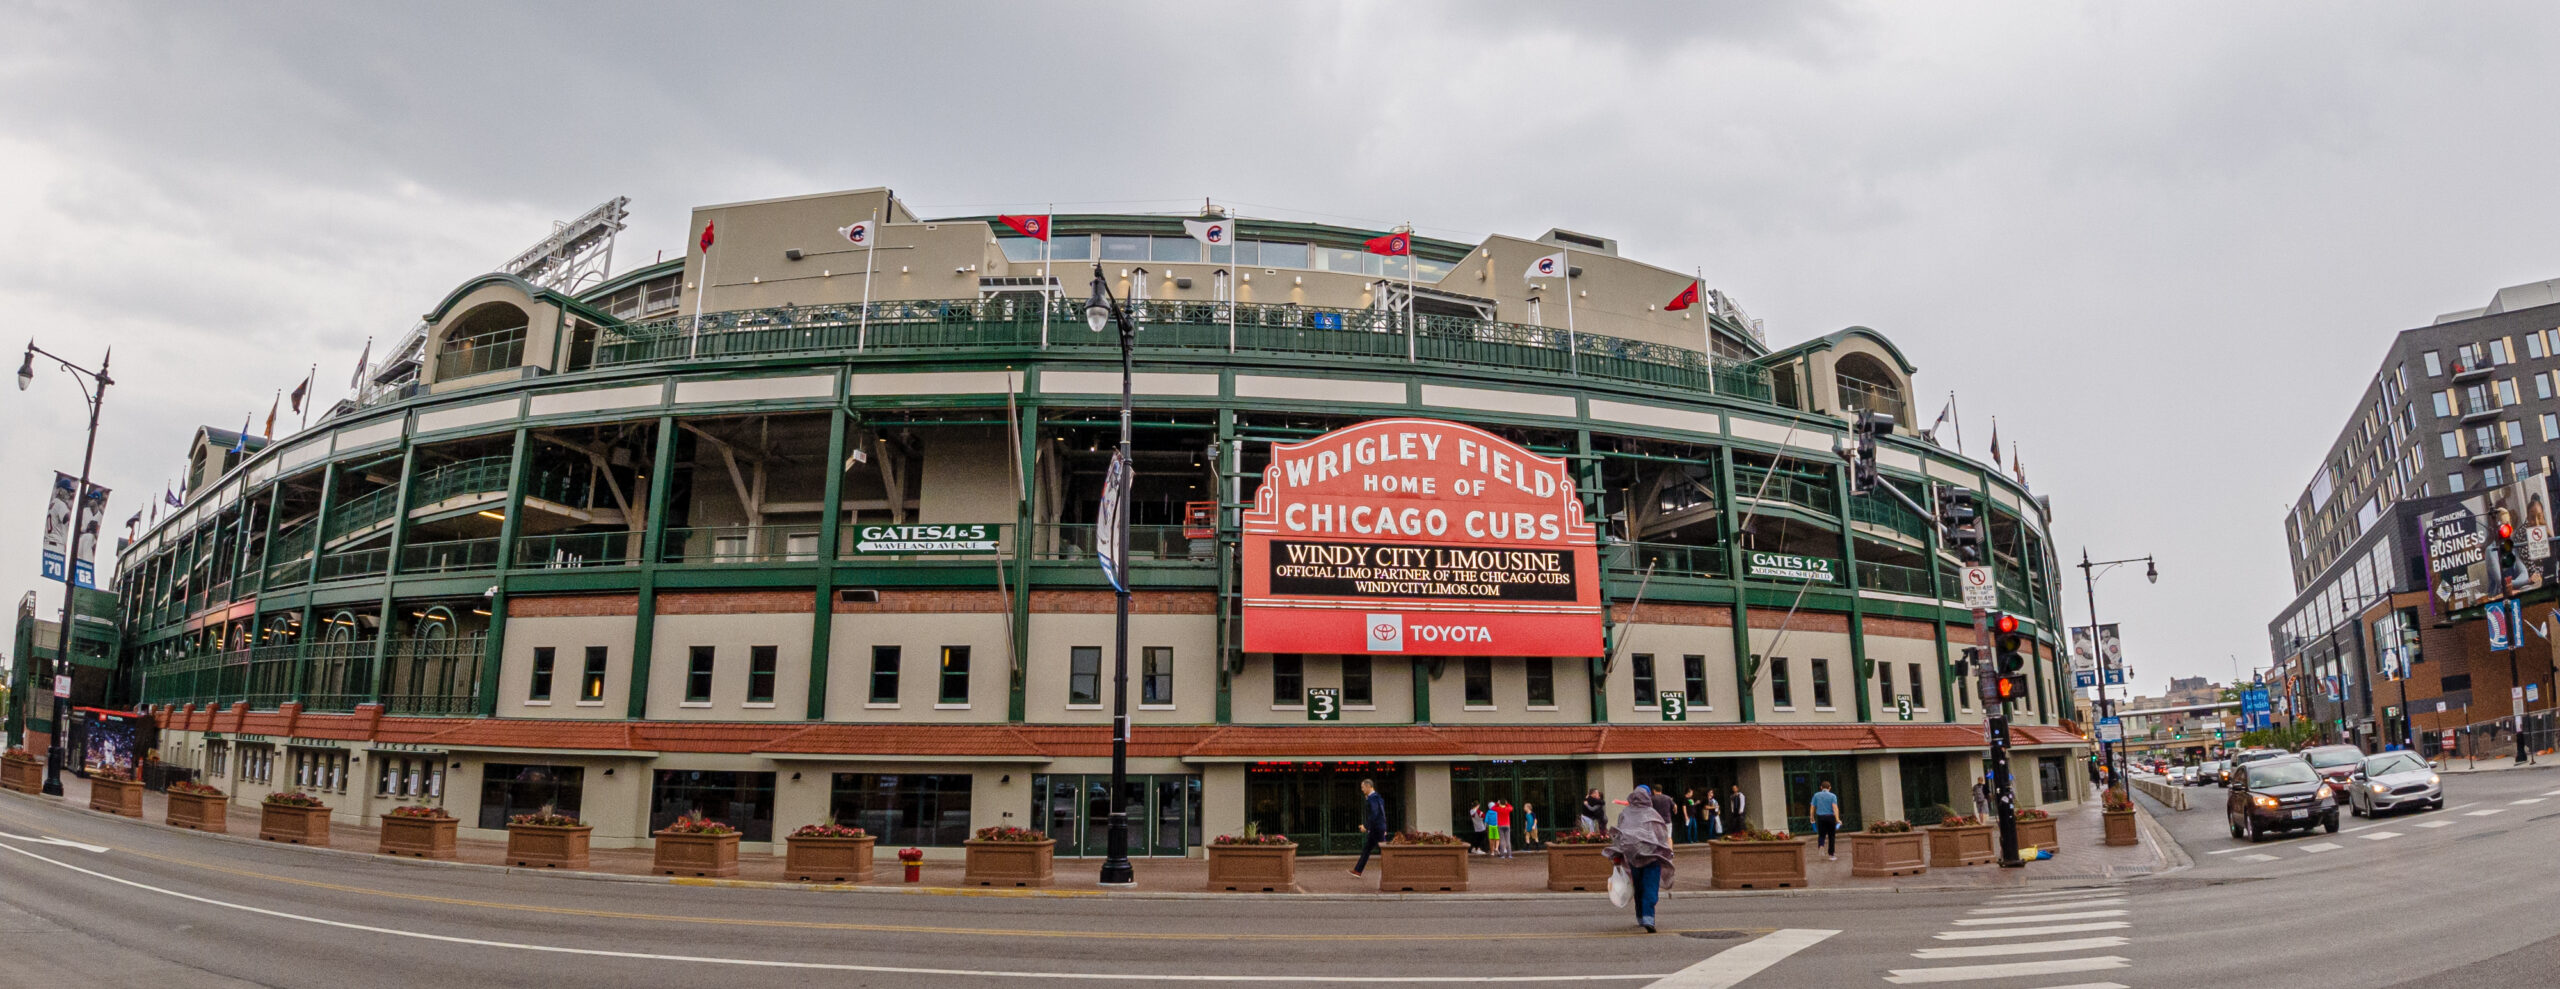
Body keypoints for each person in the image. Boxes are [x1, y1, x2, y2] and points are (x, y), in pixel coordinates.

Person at [1603, 785, 1677, 933]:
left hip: (1633, 858)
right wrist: (1665, 851)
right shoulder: (1652, 814)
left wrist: (1617, 855)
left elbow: (1620, 835)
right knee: (1650, 887)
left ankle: (1641, 916)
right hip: (1652, 857)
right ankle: (1648, 917)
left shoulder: (1625, 813)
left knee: (1639, 888)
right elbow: (1661, 835)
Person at [1349, 777, 1388, 878]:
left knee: (1384, 851)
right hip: (1379, 828)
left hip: (1376, 829)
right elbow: (1382, 813)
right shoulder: (1378, 797)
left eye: (1362, 787)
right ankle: (1357, 871)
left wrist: (1366, 826)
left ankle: (1393, 871)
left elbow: (1374, 814)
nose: (1362, 789)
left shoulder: (1372, 798)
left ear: (1368, 786)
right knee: (1369, 849)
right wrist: (1384, 827)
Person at [1810, 780, 1842, 859]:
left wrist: (1811, 816)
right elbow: (1835, 808)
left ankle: (1821, 845)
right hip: (1830, 817)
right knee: (1831, 836)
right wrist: (1837, 819)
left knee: (1821, 834)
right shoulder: (1833, 796)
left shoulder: (1816, 795)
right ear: (1829, 788)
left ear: (1821, 787)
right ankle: (1831, 854)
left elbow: (1812, 806)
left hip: (1820, 817)